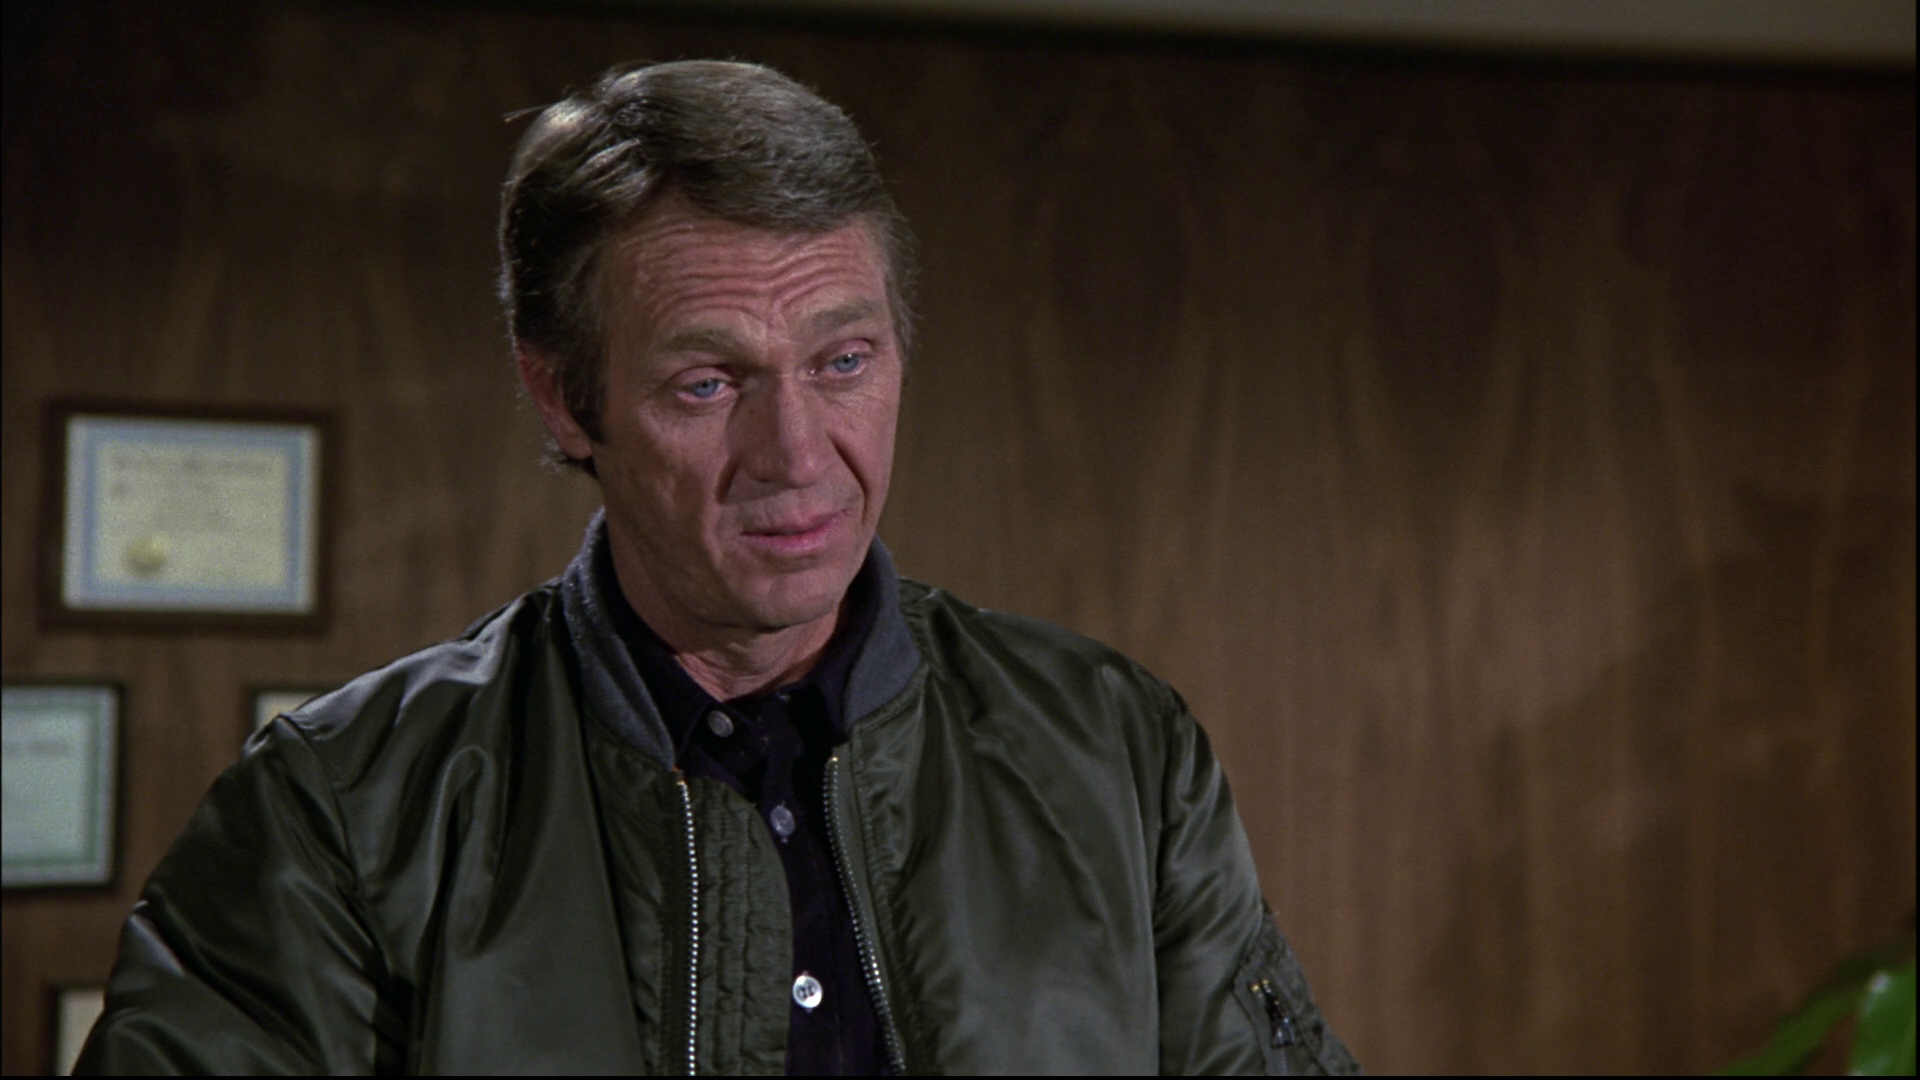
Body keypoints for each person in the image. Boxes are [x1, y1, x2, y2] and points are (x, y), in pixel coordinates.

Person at [77, 60, 1357, 1075]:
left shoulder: (1118, 753)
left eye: (843, 363)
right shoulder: (342, 813)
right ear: (564, 398)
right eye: (708, 382)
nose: (795, 454)